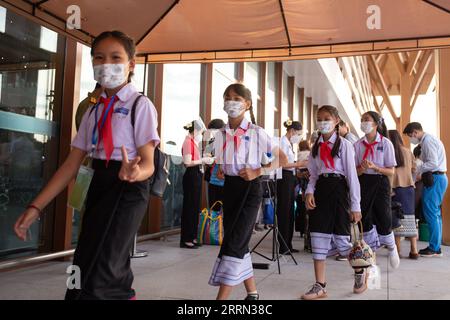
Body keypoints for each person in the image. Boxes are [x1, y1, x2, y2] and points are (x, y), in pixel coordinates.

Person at [14, 30, 160, 300]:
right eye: (99, 58)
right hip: (97, 183)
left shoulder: (141, 105)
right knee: (82, 267)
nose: (107, 64)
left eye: (115, 57)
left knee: (104, 272)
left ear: (131, 65)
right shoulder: (93, 110)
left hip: (128, 187)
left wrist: (136, 171)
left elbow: (149, 163)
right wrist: (36, 207)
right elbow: (71, 164)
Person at [209, 83, 287, 300]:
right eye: (227, 97)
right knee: (237, 240)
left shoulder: (256, 132)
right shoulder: (222, 133)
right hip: (230, 189)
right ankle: (252, 292)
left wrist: (257, 170)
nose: (230, 102)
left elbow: (282, 159)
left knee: (234, 242)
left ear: (247, 104)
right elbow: (223, 161)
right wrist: (224, 170)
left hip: (250, 189)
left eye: (236, 98)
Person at [301, 105, 362, 300]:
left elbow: (352, 176)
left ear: (336, 121)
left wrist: (355, 205)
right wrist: (309, 192)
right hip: (321, 192)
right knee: (318, 237)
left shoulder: (344, 145)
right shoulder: (315, 146)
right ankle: (320, 286)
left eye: (327, 118)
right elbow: (312, 175)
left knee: (343, 242)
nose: (322, 122)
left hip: (339, 192)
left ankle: (361, 269)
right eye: (319, 118)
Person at [354, 111, 400, 272]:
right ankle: (370, 255)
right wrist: (362, 168)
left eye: (366, 120)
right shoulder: (358, 145)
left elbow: (391, 171)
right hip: (364, 182)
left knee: (384, 217)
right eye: (362, 120)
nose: (363, 123)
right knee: (365, 218)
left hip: (380, 182)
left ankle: (392, 246)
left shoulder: (386, 143)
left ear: (375, 123)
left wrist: (375, 167)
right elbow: (355, 172)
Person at [403, 122, 448, 257]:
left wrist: (417, 169)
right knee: (435, 214)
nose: (411, 138)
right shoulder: (427, 141)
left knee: (431, 213)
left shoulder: (427, 141)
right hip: (437, 178)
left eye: (411, 135)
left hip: (435, 178)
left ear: (416, 132)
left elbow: (433, 163)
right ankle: (436, 246)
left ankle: (434, 248)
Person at [276, 119, 307, 254]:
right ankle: (283, 245)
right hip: (283, 178)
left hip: (290, 178)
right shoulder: (282, 142)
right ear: (292, 131)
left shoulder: (288, 144)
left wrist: (299, 172)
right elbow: (282, 163)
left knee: (290, 212)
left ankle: (288, 243)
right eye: (299, 133)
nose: (299, 137)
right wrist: (298, 164)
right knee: (284, 211)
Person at [180, 119, 212, 249]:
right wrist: (203, 160)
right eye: (201, 132)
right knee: (189, 207)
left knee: (194, 207)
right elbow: (187, 162)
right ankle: (186, 238)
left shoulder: (193, 142)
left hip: (196, 175)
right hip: (191, 175)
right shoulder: (188, 142)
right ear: (196, 131)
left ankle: (192, 236)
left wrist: (204, 159)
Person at [388, 130, 419, 259]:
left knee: (396, 219)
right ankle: (414, 250)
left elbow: (389, 173)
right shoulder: (408, 151)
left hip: (395, 189)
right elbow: (414, 169)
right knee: (410, 218)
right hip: (409, 189)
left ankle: (398, 250)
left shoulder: (390, 152)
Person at [204, 119, 226, 207]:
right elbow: (206, 157)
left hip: (226, 181)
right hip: (212, 180)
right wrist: (209, 159)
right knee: (213, 209)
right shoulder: (211, 141)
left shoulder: (230, 141)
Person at [295, 140, 311, 238]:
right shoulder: (310, 153)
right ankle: (307, 230)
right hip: (309, 177)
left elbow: (297, 168)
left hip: (301, 178)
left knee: (303, 203)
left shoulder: (299, 154)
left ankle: (302, 229)